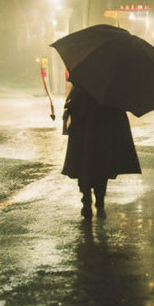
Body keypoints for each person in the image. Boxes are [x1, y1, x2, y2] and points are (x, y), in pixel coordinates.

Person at [61, 83, 141, 219]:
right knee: (101, 169)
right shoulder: (111, 90)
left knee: (85, 169)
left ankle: (87, 202)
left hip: (84, 139)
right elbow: (118, 114)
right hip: (102, 138)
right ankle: (100, 204)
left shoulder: (81, 87)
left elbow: (71, 109)